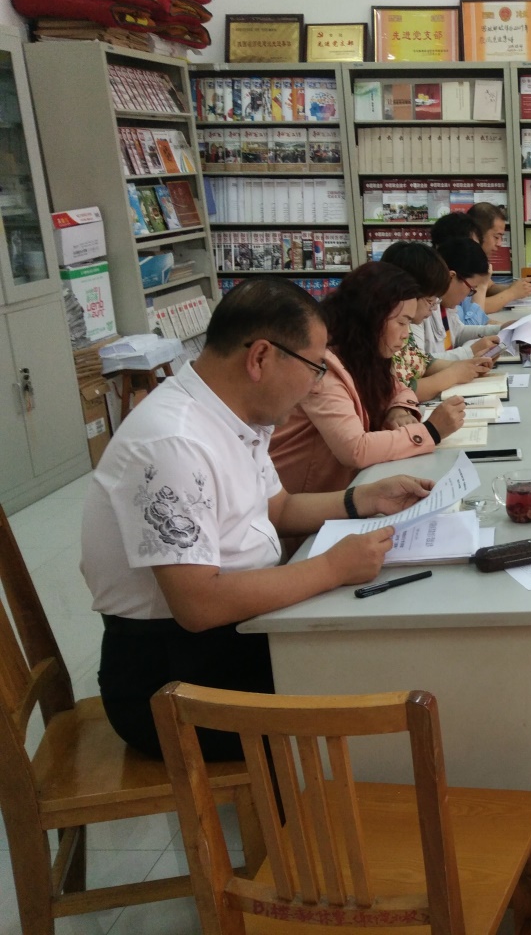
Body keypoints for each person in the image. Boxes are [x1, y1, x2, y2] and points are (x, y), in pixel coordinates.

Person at [81, 277, 434, 760]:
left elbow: (279, 509)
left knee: (388, 659)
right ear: (261, 357)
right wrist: (332, 568)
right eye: (314, 368)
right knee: (376, 694)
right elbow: (197, 605)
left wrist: (364, 499)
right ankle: (309, 806)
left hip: (230, 637)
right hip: (174, 681)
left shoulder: (231, 416)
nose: (316, 384)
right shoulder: (173, 443)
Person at [269, 262, 466, 494]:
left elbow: (398, 387)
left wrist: (398, 409)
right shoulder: (321, 367)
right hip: (306, 501)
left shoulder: (365, 352)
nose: (406, 335)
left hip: (347, 488)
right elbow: (355, 449)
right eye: (401, 323)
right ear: (372, 316)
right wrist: (432, 431)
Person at [386, 237, 500, 365]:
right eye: (471, 288)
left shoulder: (436, 303)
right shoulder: (416, 313)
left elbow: (457, 333)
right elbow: (421, 364)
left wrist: (500, 330)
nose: (435, 305)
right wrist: (469, 353)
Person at [468, 202, 531, 307]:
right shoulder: (461, 259)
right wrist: (512, 293)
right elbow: (473, 308)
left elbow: (489, 287)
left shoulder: (477, 259)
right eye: (496, 237)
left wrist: (515, 288)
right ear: (476, 235)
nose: (500, 244)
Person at [429, 211, 494, 326]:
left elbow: (464, 327)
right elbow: (470, 326)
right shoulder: (439, 295)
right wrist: (482, 286)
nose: (475, 253)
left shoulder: (461, 282)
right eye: (469, 247)